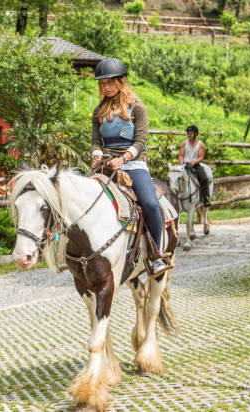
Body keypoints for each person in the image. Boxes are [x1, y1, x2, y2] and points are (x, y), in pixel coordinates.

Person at [91, 57, 171, 275]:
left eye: (110, 82)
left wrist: (124, 158)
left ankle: (156, 255)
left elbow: (141, 140)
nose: (106, 87)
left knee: (151, 204)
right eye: (102, 83)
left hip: (133, 163)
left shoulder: (138, 108)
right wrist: (97, 154)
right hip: (106, 163)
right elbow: (96, 140)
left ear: (121, 81)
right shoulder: (98, 110)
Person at [178, 124, 211, 207]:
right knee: (174, 177)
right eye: (188, 133)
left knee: (204, 178)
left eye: (191, 133)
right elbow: (181, 155)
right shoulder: (184, 143)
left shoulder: (201, 144)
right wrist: (181, 164)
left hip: (195, 164)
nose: (189, 135)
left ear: (195, 134)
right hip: (185, 164)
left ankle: (206, 198)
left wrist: (193, 162)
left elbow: (201, 157)